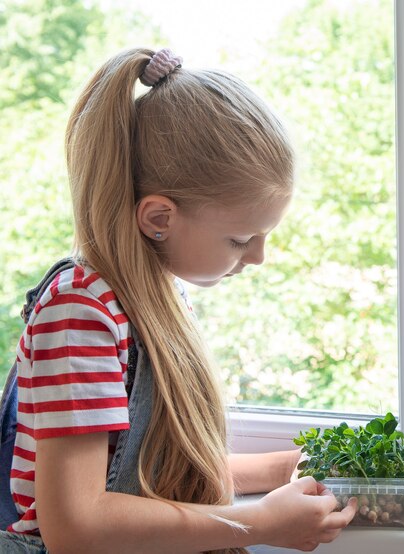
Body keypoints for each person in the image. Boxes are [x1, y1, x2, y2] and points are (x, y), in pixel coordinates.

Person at [1, 47, 357, 553]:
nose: (257, 257)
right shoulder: (80, 313)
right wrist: (258, 526)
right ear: (159, 219)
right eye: (241, 239)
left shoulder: (160, 296)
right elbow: (75, 527)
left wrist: (281, 468)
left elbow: (141, 480)